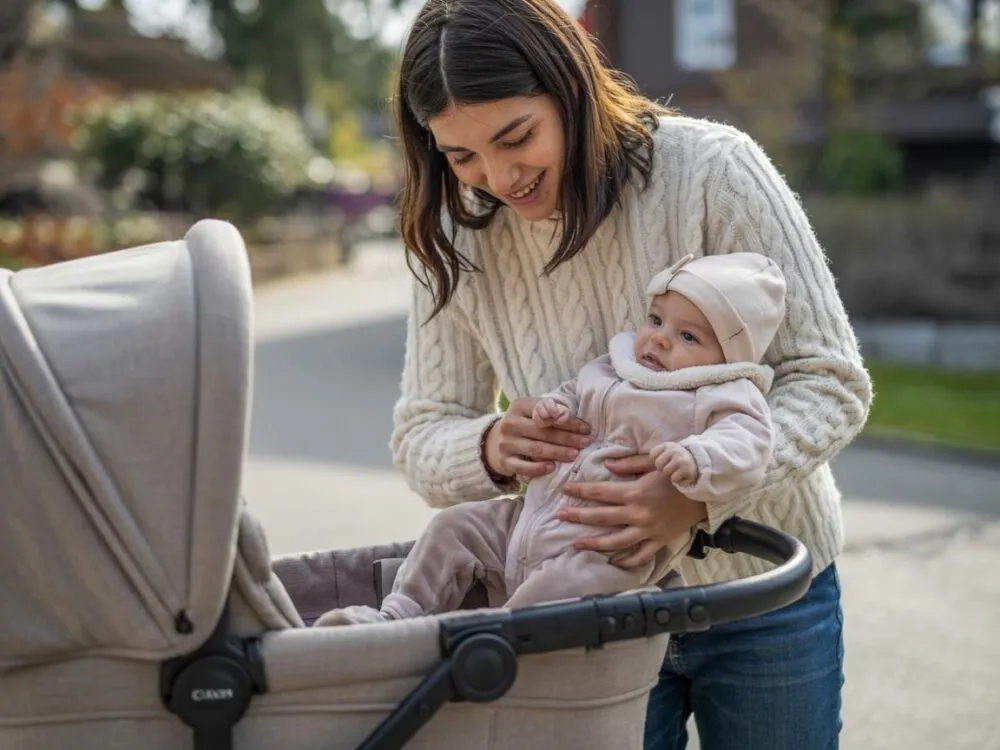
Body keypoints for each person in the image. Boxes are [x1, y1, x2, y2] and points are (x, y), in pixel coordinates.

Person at [385, 1, 872, 748]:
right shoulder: (457, 237)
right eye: (461, 156)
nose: (499, 177)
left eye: (517, 136)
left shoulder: (712, 171)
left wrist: (695, 498)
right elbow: (423, 433)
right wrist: (489, 446)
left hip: (762, 597)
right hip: (575, 620)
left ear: (570, 85)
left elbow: (829, 379)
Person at [316, 252, 785, 626]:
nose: (659, 340)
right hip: (531, 517)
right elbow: (573, 392)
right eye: (657, 320)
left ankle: (493, 639)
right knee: (455, 527)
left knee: (565, 589)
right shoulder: (614, 366)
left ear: (728, 357)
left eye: (687, 336)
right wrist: (553, 408)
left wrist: (697, 460)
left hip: (605, 548)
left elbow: (748, 445)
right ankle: (397, 615)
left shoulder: (720, 395)